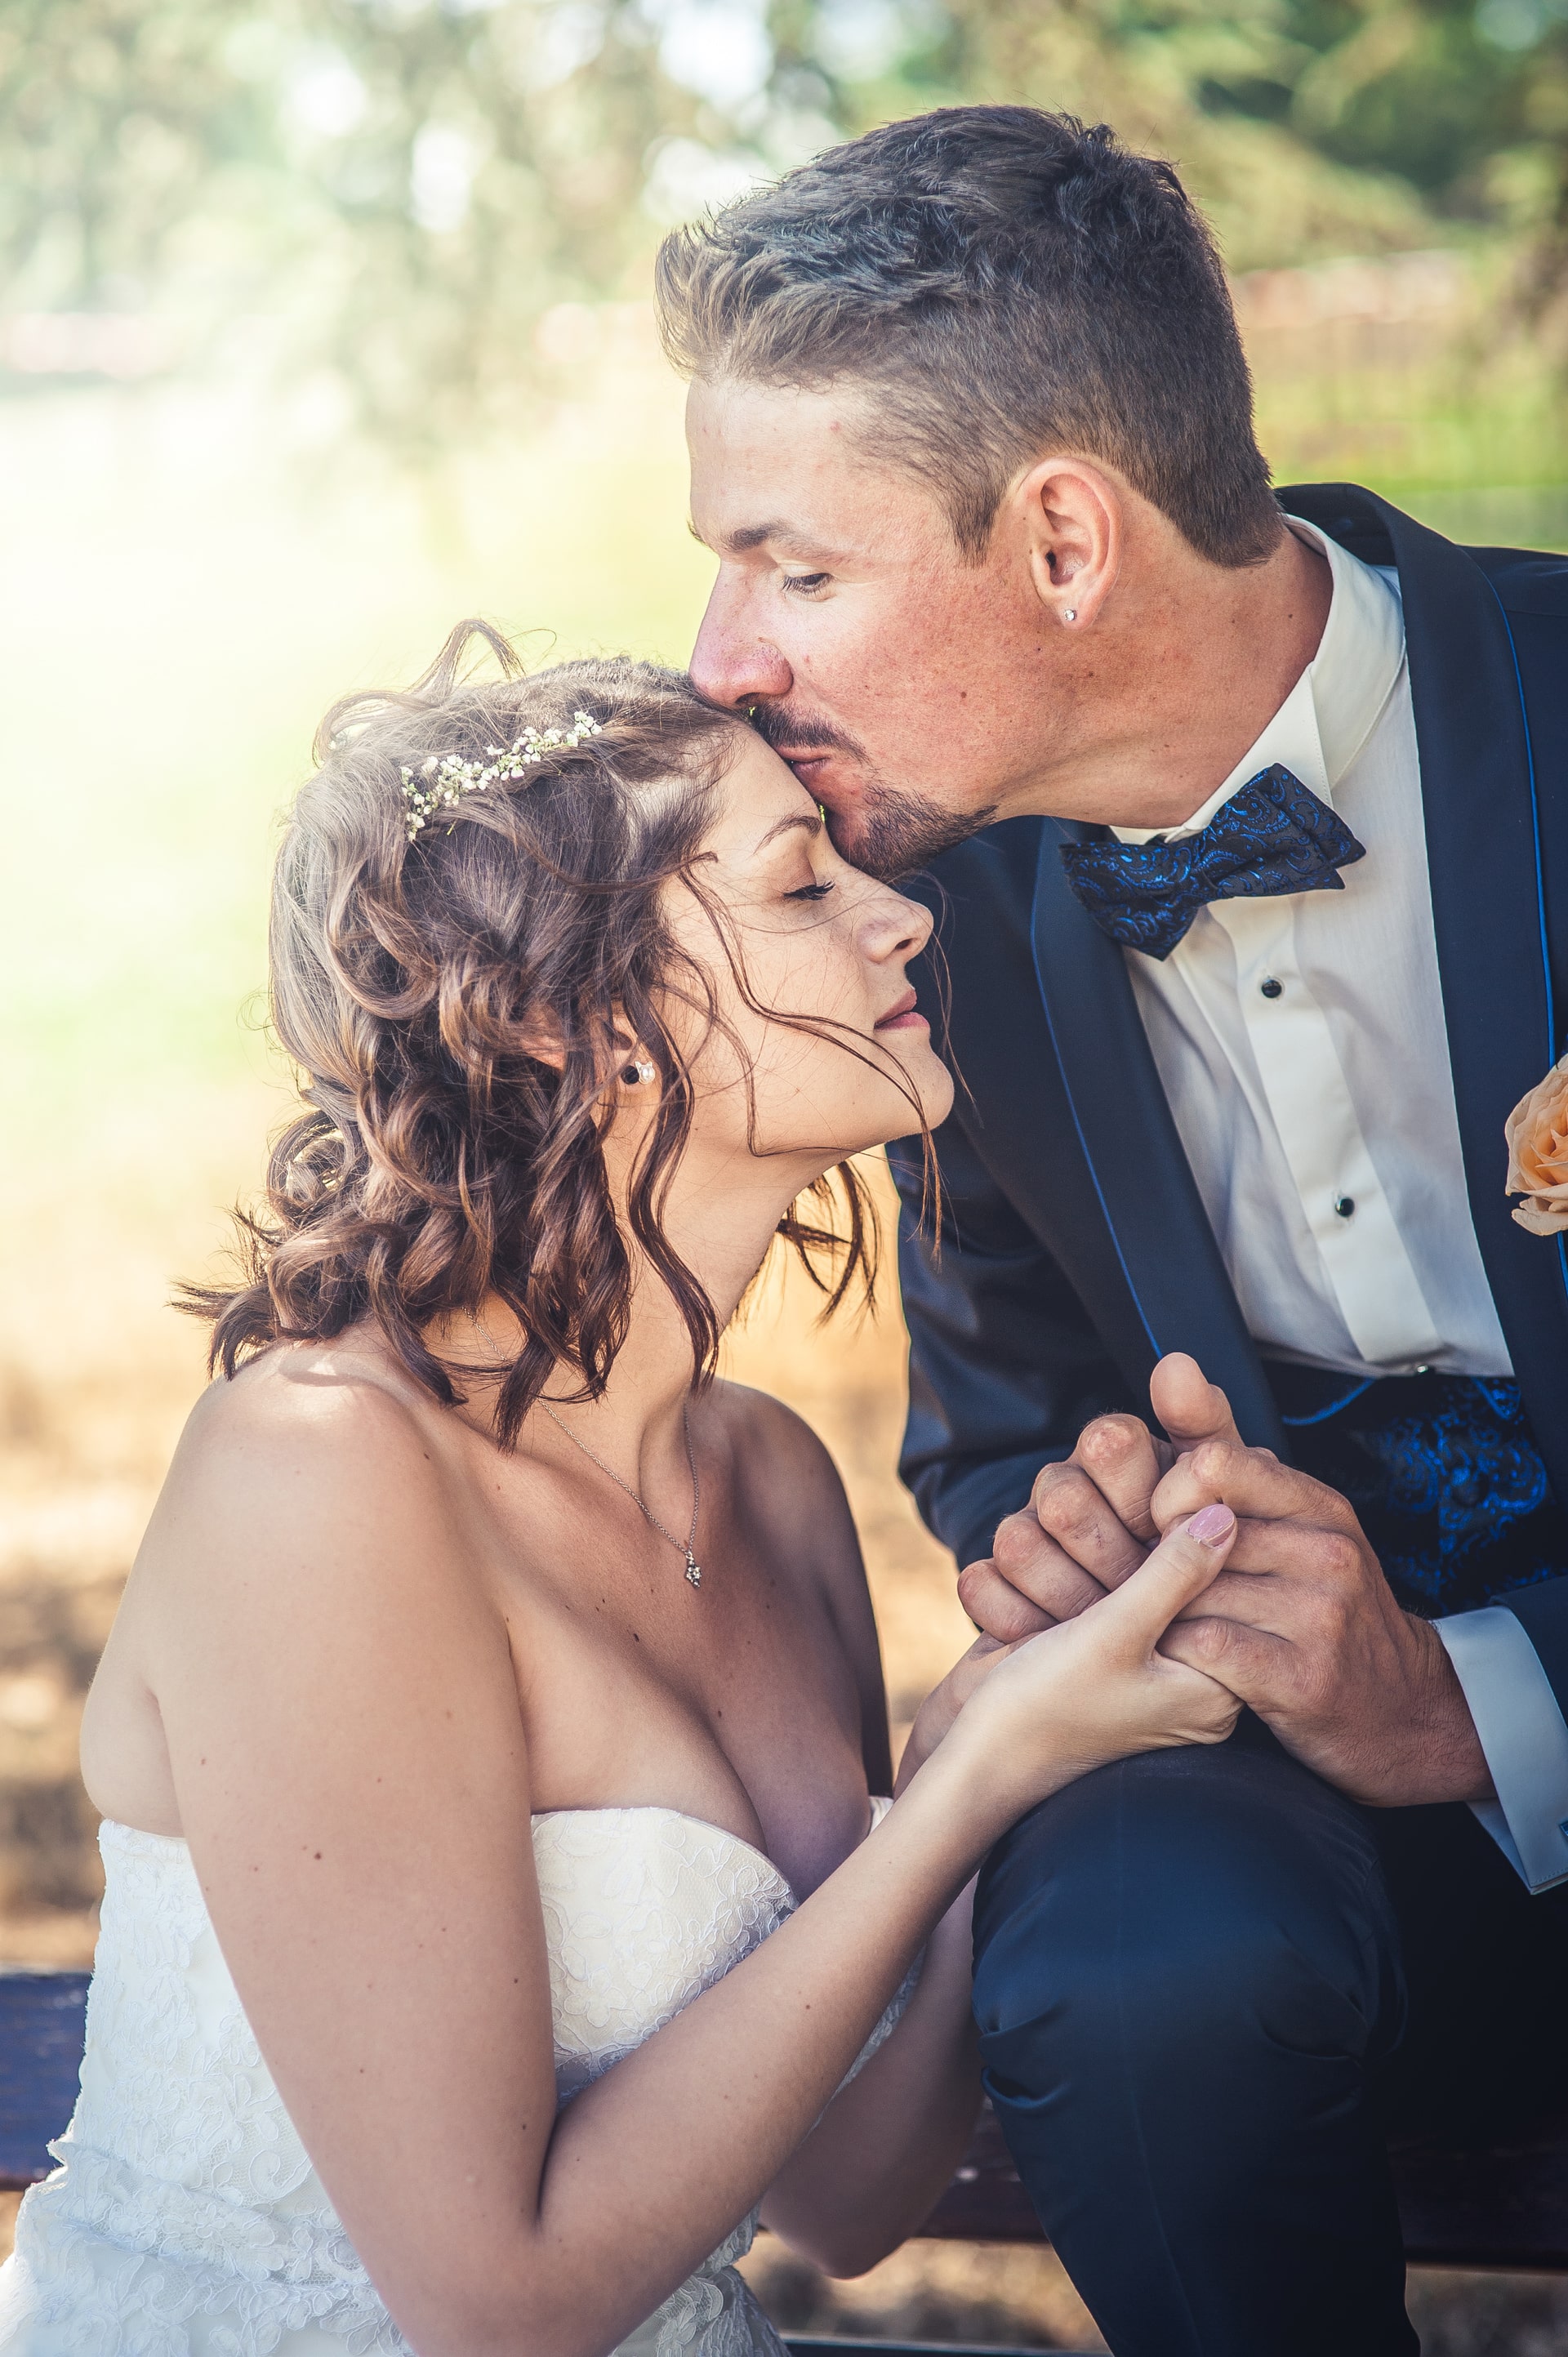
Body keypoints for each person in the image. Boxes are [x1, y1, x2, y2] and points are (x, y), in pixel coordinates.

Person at [0, 626, 1243, 2355]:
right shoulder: (319, 1477)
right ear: (562, 1020)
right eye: (803, 887)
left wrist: (982, 1757)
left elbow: (849, 2197)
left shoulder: (773, 1488)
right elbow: (492, 2307)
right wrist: (963, 1805)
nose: (904, 919)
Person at [659, 102, 1568, 2357]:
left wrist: (1485, 1699)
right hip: (1253, 1784)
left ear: (1064, 536)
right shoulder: (919, 918)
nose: (722, 659)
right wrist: (1070, 1521)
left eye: (794, 564)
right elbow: (990, 1427)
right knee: (1132, 1955)